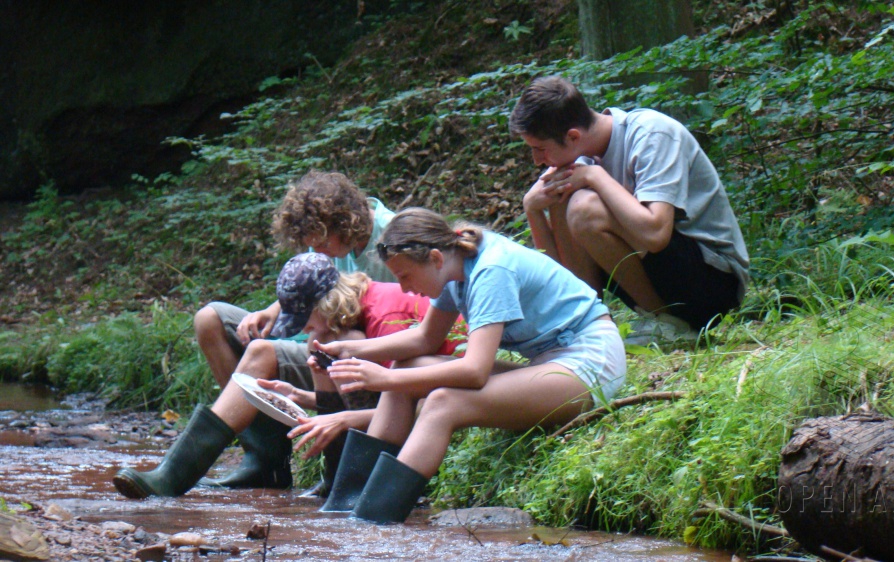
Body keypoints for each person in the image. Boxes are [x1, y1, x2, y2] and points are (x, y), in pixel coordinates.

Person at [309, 208, 627, 524]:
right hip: (550, 362)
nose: (404, 288)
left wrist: (385, 379)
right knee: (405, 366)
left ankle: (370, 522)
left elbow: (474, 372)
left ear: (435, 258)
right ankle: (345, 506)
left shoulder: (491, 271)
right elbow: (424, 339)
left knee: (443, 403)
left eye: (405, 276)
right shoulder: (453, 265)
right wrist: (348, 351)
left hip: (590, 363)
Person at [112, 252, 464, 501]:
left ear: (327, 305)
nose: (304, 330)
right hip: (397, 386)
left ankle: (347, 483)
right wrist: (303, 397)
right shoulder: (353, 309)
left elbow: (408, 403)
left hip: (443, 384)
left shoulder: (385, 322)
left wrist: (341, 419)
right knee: (307, 349)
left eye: (305, 320)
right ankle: (177, 475)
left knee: (334, 347)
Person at [191, 170, 396, 492]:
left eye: (323, 244)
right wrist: (272, 310)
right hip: (320, 339)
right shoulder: (329, 242)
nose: (319, 252)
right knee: (210, 319)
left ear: (346, 223)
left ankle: (182, 471)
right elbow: (314, 285)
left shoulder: (393, 238)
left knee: (263, 351)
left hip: (357, 353)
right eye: (312, 246)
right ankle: (264, 458)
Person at [508, 76, 750, 343]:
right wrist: (532, 209)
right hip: (667, 277)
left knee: (583, 207)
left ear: (573, 136)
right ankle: (587, 326)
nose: (537, 160)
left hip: (714, 283)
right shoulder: (579, 159)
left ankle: (668, 325)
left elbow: (656, 235)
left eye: (540, 149)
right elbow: (561, 276)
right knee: (563, 195)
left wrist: (596, 176)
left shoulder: (652, 134)